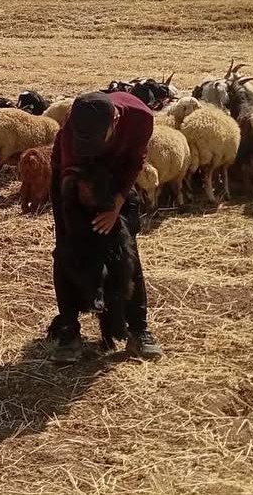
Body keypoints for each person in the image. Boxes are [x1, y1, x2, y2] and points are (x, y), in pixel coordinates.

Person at [46, 91, 162, 364]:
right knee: (67, 249)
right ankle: (68, 330)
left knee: (126, 249)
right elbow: (68, 174)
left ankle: (138, 330)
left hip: (116, 179)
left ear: (116, 120)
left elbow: (136, 159)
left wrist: (117, 204)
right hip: (74, 180)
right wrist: (72, 220)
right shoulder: (74, 128)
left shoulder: (140, 118)